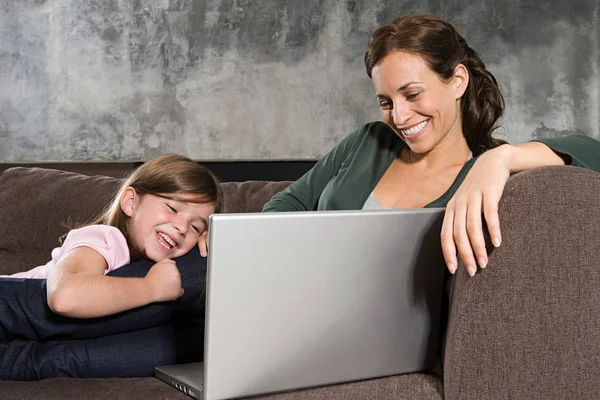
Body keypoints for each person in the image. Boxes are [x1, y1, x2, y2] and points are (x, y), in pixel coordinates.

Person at [257, 15, 600, 277]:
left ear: (458, 81)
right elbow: (287, 204)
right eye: (386, 101)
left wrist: (502, 157)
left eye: (412, 94)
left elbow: (591, 152)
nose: (400, 116)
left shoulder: (480, 175)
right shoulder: (368, 142)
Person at [0, 154, 225, 379]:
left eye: (196, 227)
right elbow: (65, 297)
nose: (182, 227)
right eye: (172, 208)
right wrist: (151, 288)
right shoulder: (105, 239)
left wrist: (211, 244)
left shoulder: (150, 262)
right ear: (131, 202)